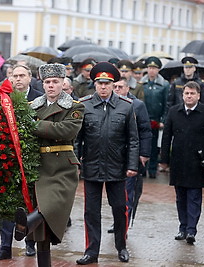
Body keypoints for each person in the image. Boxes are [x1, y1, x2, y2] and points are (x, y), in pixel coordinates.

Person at [14, 63, 84, 267]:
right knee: (42, 233)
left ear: (63, 83)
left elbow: (66, 131)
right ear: (42, 84)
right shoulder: (32, 106)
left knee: (51, 206)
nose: (51, 85)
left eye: (55, 81)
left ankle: (24, 225)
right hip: (38, 165)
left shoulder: (75, 106)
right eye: (47, 82)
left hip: (62, 166)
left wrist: (33, 125)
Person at [76, 62, 139, 264]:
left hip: (117, 167)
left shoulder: (126, 106)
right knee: (91, 212)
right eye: (100, 83)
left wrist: (132, 166)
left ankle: (121, 246)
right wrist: (76, 163)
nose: (103, 87)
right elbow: (77, 139)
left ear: (114, 84)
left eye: (107, 83)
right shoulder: (84, 105)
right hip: (92, 166)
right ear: (94, 84)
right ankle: (91, 251)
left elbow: (133, 139)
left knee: (120, 209)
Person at [0, 64, 40, 261]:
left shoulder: (38, 98)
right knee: (5, 203)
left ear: (30, 78)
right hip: (7, 159)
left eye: (22, 76)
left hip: (30, 159)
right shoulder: (3, 96)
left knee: (30, 202)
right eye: (14, 76)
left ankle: (30, 242)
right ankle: (5, 246)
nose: (18, 79)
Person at [159, 81, 204, 245]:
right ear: (182, 95)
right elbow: (166, 138)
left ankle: (191, 230)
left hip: (198, 163)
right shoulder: (173, 112)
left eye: (192, 93)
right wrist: (164, 160)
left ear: (198, 95)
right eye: (186, 93)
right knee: (180, 197)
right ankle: (182, 228)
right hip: (179, 162)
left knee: (194, 197)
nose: (189, 96)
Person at [112, 77, 151, 227]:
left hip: (131, 154)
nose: (116, 89)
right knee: (116, 192)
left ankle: (124, 223)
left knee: (128, 191)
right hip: (114, 155)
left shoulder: (137, 105)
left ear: (128, 88)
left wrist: (144, 154)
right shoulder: (111, 104)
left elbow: (145, 131)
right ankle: (118, 220)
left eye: (120, 87)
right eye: (114, 86)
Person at [136, 56, 169, 178]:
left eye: (154, 68)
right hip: (143, 118)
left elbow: (167, 103)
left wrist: (163, 120)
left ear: (158, 69)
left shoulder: (164, 84)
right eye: (150, 67)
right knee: (142, 144)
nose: (151, 71)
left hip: (156, 118)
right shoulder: (141, 83)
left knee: (154, 146)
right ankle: (142, 168)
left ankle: (153, 169)